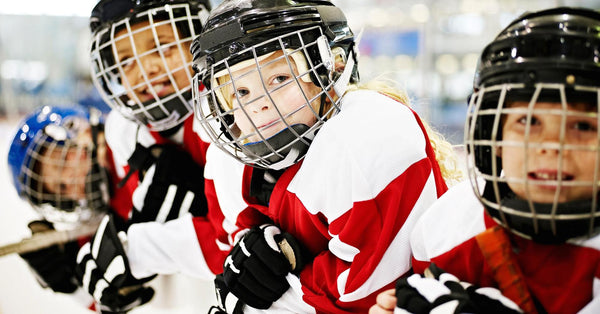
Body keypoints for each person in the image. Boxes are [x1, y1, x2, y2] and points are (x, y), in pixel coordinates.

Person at [190, 0, 461, 312]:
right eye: (241, 92)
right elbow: (233, 248)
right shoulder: (231, 166)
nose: (259, 104)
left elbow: (365, 296)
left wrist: (265, 301)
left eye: (279, 78)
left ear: (331, 69)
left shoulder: (368, 134)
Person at [370, 6, 600, 314]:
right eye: (528, 122)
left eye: (582, 126)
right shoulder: (446, 229)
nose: (551, 146)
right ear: (493, 136)